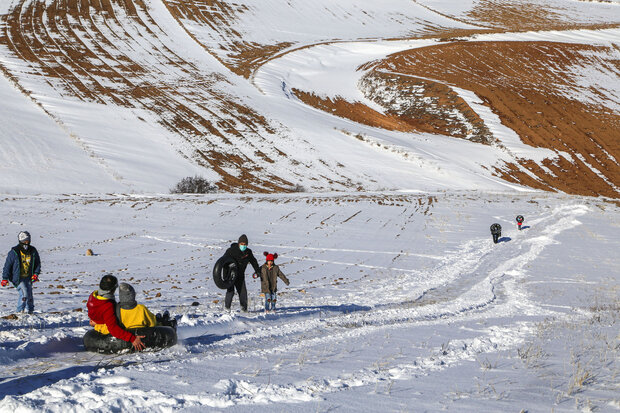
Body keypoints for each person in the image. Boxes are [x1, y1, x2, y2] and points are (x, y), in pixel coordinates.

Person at [87, 275, 145, 351]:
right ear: (112, 289)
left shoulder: (93, 296)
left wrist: (96, 321)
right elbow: (113, 329)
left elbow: (94, 311)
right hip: (104, 328)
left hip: (98, 324)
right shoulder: (107, 306)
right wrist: (132, 338)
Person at [2, 231, 41, 314]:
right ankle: (20, 313)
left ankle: (30, 312)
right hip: (17, 278)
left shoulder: (33, 251)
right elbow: (7, 266)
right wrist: (5, 278)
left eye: (28, 241)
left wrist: (35, 274)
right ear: (20, 241)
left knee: (29, 295)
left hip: (28, 277)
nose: (26, 243)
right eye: (24, 241)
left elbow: (37, 263)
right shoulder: (14, 252)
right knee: (24, 294)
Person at [223, 234, 261, 312]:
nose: (243, 246)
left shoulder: (248, 252)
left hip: (240, 275)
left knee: (243, 292)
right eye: (242, 244)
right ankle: (227, 308)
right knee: (230, 291)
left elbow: (253, 262)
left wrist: (257, 271)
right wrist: (225, 276)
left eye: (245, 244)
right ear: (238, 243)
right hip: (230, 275)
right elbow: (223, 263)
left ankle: (244, 309)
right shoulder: (231, 251)